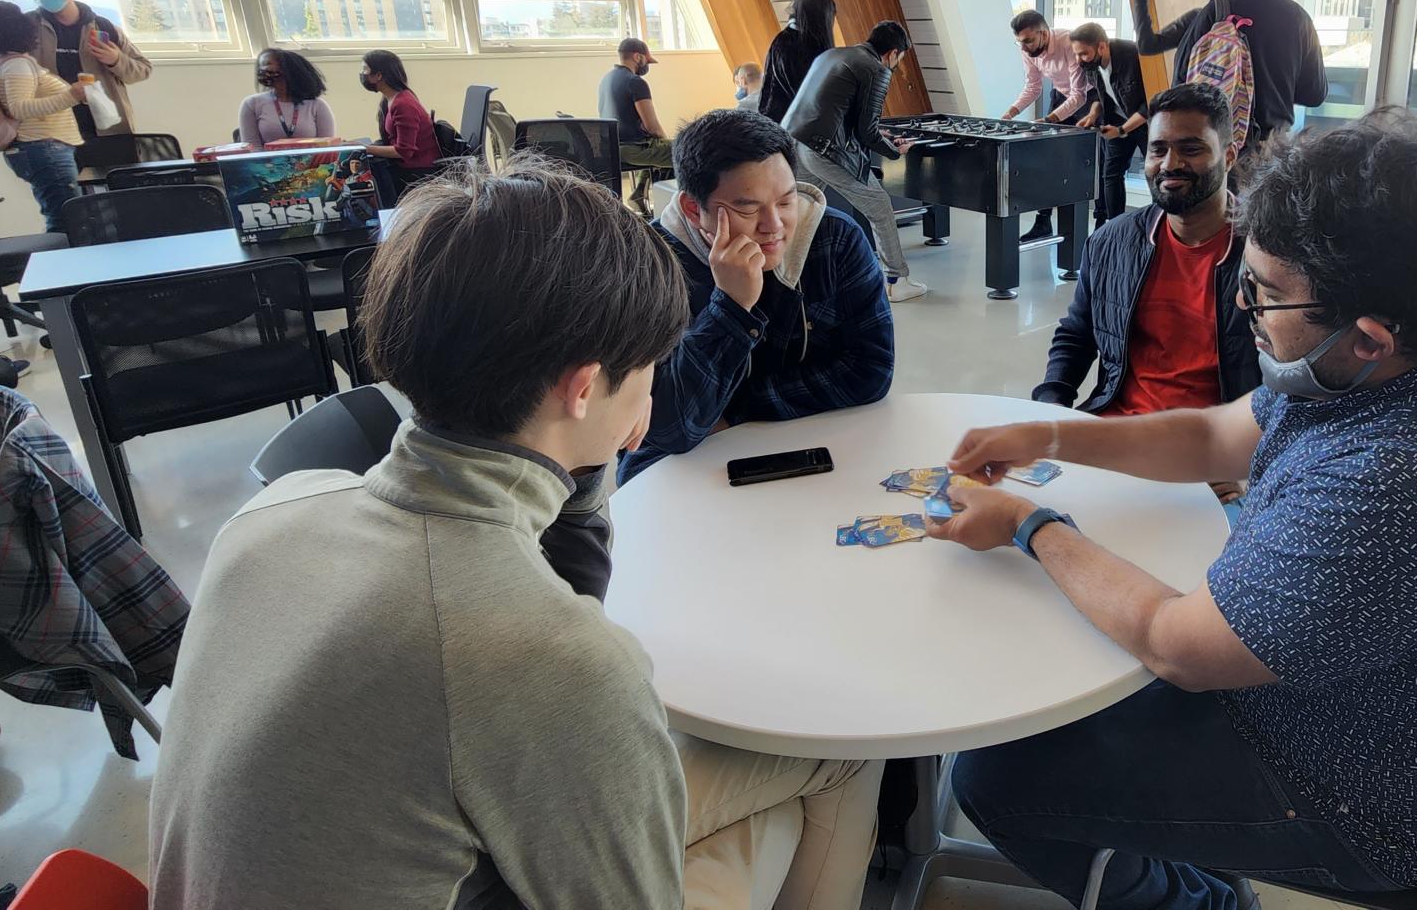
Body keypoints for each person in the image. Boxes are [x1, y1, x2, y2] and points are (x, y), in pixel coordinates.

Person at [149, 155, 882, 910]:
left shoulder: (272, 514)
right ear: (582, 386)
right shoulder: (552, 659)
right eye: (653, 365)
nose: (657, 385)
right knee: (833, 756)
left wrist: (578, 459)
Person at [927, 115, 1417, 908]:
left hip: (1339, 798)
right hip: (1302, 692)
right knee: (1049, 673)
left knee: (998, 776)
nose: (1246, 307)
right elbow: (1213, 433)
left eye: (1267, 296)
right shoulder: (1396, 359)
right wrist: (1050, 432)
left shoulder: (1397, 484)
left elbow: (1176, 646)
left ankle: (1202, 900)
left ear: (1369, 337)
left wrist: (1027, 526)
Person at [615, 110, 892, 481]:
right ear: (693, 209)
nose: (774, 226)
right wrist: (731, 306)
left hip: (807, 441)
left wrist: (732, 413)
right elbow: (670, 428)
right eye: (747, 207)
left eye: (785, 200)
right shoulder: (646, 263)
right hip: (683, 471)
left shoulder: (835, 240)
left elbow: (870, 371)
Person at [1035, 82, 1256, 423]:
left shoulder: (1268, 255)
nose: (1170, 164)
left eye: (1191, 149)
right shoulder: (1111, 242)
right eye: (1158, 150)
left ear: (1228, 156)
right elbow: (1077, 333)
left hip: (1216, 452)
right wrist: (1052, 402)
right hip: (1115, 429)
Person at [1133, 0, 1325, 176]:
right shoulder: (1300, 19)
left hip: (1220, 149)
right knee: (1262, 215)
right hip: (1274, 155)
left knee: (1218, 214)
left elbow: (1180, 83)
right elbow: (1315, 94)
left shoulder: (1218, 13)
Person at [784, 19, 927, 303]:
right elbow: (866, 131)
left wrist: (879, 133)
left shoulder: (833, 54)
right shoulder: (876, 69)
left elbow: (835, 109)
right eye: (899, 58)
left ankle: (785, 273)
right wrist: (895, 151)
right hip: (824, 149)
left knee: (797, 207)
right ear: (893, 53)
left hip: (795, 139)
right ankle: (896, 280)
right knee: (880, 207)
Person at [0, 1, 89, 232]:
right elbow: (19, 108)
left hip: (34, 150)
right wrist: (72, 95)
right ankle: (63, 265)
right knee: (67, 220)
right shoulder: (17, 64)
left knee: (62, 214)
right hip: (44, 148)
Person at [20, 0, 151, 139]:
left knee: (116, 168)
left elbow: (143, 70)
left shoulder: (104, 27)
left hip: (107, 129)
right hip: (50, 132)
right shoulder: (25, 27)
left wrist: (116, 60)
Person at [1002, 10, 1092, 242]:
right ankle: (1043, 223)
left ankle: (1094, 228)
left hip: (1089, 100)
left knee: (1085, 165)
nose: (1024, 47)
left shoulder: (1067, 42)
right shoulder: (1029, 50)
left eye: (1028, 41)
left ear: (1043, 34)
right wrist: (1011, 112)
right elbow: (1033, 87)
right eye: (1019, 42)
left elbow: (1079, 95)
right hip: (1061, 97)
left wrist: (1050, 119)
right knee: (1050, 162)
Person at [1069, 22, 1148, 227]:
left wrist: (1122, 130)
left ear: (1102, 46)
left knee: (1155, 174)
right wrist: (1094, 113)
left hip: (1146, 124)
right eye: (1076, 54)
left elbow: (1150, 102)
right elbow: (1100, 93)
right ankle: (1116, 227)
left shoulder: (1133, 55)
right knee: (1111, 175)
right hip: (1116, 121)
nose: (1079, 60)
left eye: (1083, 54)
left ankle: (1160, 227)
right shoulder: (1092, 65)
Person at [599, 37, 673, 208]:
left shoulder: (606, 80)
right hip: (633, 149)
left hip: (613, 148)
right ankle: (670, 208)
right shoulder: (635, 82)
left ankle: (639, 194)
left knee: (659, 149)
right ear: (637, 57)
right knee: (685, 151)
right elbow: (652, 127)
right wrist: (665, 140)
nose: (646, 65)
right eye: (646, 60)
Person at [358, 48, 439, 196]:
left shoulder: (403, 104)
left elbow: (404, 151)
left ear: (378, 75)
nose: (362, 74)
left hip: (416, 172)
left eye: (365, 70)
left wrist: (367, 148)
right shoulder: (391, 99)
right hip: (405, 167)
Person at [758, 0, 838, 124]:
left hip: (788, 124)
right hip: (795, 127)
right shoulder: (794, 44)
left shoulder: (788, 40)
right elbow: (806, 95)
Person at [238, 48, 334, 145]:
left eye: (267, 64)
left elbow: (327, 146)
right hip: (268, 160)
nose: (262, 70)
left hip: (313, 160)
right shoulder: (251, 104)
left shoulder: (317, 105)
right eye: (260, 66)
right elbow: (252, 148)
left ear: (287, 68)